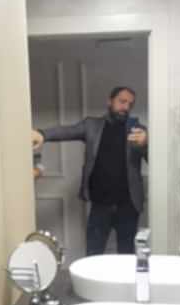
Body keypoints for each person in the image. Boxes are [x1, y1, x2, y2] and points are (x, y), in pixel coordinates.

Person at [31, 86, 148, 255]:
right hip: (100, 205)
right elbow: (67, 131)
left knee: (127, 255)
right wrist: (43, 134)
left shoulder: (138, 130)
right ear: (110, 101)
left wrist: (146, 144)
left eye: (130, 104)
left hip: (128, 206)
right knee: (94, 252)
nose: (126, 107)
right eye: (122, 101)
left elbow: (155, 161)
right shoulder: (92, 125)